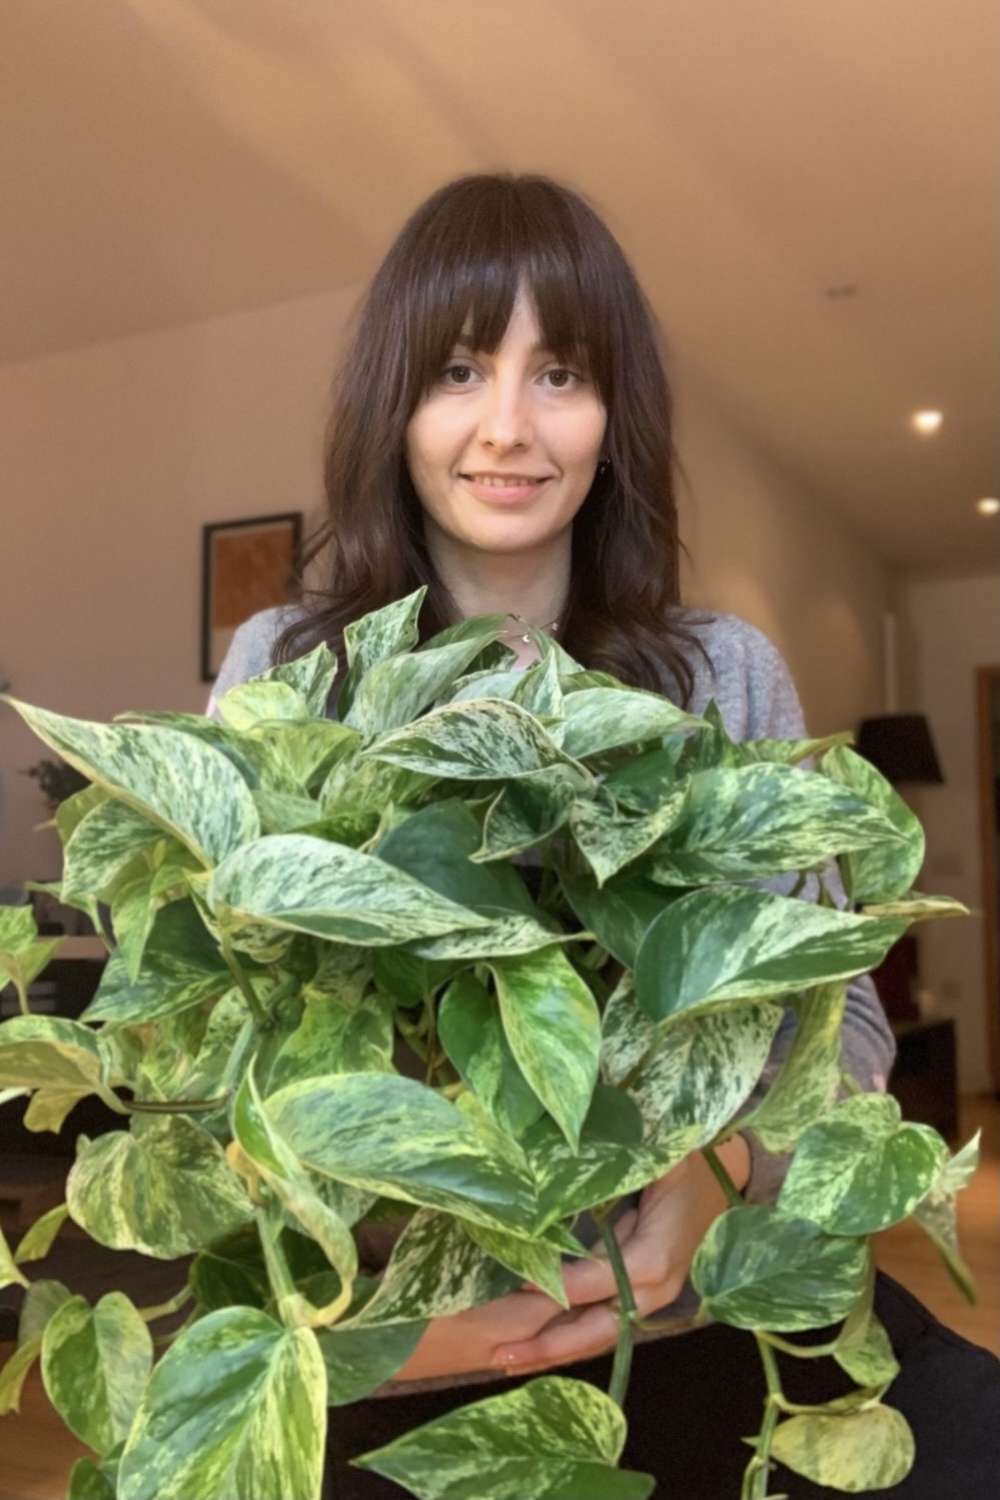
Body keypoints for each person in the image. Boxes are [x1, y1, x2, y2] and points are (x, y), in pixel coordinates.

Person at [207, 173, 1000, 1497]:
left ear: (613, 408)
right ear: (391, 401)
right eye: (459, 368)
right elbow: (223, 1040)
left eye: (561, 372)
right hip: (412, 1363)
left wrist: (720, 1172)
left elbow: (842, 1023)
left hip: (705, 1326)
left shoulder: (715, 674)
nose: (509, 427)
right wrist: (390, 1315)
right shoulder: (292, 667)